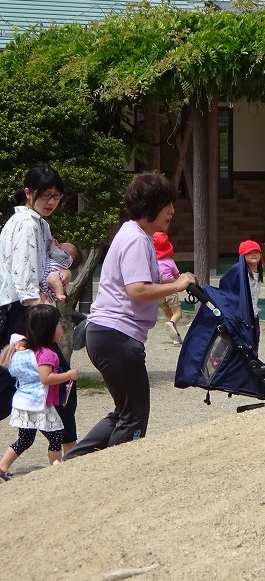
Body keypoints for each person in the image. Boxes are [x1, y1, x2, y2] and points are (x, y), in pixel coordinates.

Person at [63, 173, 196, 460]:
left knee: (125, 411)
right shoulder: (136, 238)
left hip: (107, 334)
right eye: (168, 205)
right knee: (134, 414)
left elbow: (143, 282)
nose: (172, 211)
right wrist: (178, 285)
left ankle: (73, 463)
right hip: (116, 335)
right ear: (151, 206)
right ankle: (116, 471)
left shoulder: (134, 233)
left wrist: (174, 280)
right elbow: (137, 289)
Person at [0, 164, 70, 429]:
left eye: (56, 196)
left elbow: (48, 261)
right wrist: (45, 311)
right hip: (22, 310)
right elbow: (24, 277)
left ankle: (61, 443)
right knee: (47, 375)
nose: (51, 202)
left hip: (25, 308)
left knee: (22, 378)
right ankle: (64, 444)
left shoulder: (40, 224)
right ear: (29, 193)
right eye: (45, 195)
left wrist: (63, 272)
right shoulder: (26, 224)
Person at [0, 305, 79, 479]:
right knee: (56, 436)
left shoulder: (22, 349)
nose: (61, 327)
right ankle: (56, 468)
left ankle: (2, 467)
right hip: (38, 404)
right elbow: (46, 378)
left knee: (25, 440)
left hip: (22, 402)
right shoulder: (46, 354)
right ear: (48, 330)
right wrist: (69, 375)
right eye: (58, 324)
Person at [153, 232, 183, 344]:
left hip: (158, 292)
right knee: (177, 313)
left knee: (169, 314)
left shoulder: (153, 263)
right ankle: (171, 324)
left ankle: (176, 337)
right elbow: (177, 277)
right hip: (170, 290)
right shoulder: (170, 262)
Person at [239, 240, 264, 349]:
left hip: (254, 314)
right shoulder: (240, 274)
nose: (253, 254)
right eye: (249, 252)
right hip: (244, 316)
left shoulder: (258, 272)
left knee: (255, 340)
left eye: (256, 252)